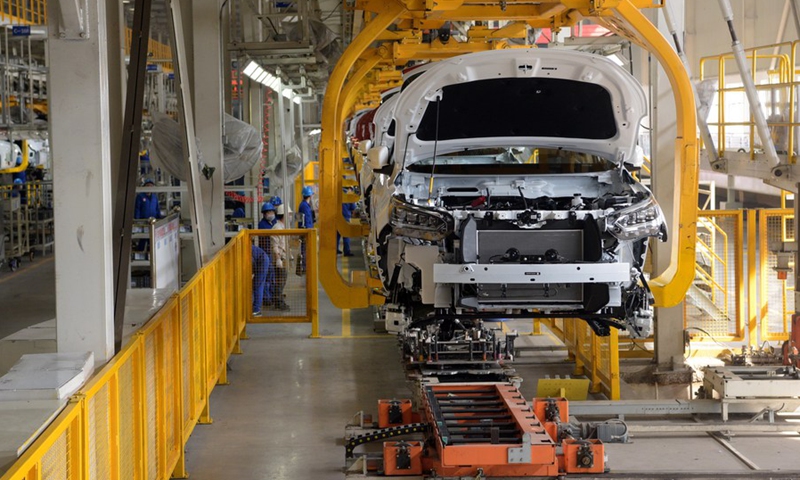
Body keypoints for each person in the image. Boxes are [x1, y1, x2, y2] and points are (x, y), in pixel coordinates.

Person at [269, 204, 290, 310]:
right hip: (279, 259)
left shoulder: (282, 227)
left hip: (283, 258)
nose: (290, 216)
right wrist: (278, 259)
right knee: (279, 282)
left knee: (282, 281)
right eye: (289, 214)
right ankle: (278, 302)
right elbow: (275, 246)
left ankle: (279, 300)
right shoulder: (277, 228)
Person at [258, 202, 276, 305]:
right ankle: (266, 298)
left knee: (271, 276)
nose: (270, 214)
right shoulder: (262, 224)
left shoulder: (273, 223)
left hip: (271, 252)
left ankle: (271, 295)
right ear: (264, 214)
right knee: (267, 277)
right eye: (268, 212)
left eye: (271, 211)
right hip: (265, 252)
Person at [297, 186, 315, 275]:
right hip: (306, 231)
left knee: (306, 249)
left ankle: (306, 266)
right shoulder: (304, 205)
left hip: (307, 230)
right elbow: (305, 220)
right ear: (310, 195)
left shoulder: (305, 205)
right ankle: (305, 267)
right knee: (305, 249)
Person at [251, 245, 269, 316]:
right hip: (261, 260)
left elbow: (252, 263)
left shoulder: (243, 248)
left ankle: (256, 310)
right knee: (258, 285)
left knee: (258, 286)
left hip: (262, 261)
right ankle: (255, 307)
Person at [337, 190, 356, 257]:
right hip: (346, 218)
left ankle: (336, 249)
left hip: (337, 217)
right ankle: (347, 251)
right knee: (346, 236)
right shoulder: (349, 195)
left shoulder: (336, 194)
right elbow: (353, 207)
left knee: (337, 235)